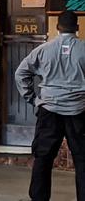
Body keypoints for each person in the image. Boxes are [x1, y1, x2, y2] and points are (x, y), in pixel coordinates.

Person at [15, 11, 85, 201]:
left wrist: (33, 99)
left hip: (49, 111)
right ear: (77, 28)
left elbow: (21, 74)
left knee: (43, 159)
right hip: (77, 112)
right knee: (82, 160)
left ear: (57, 27)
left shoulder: (44, 50)